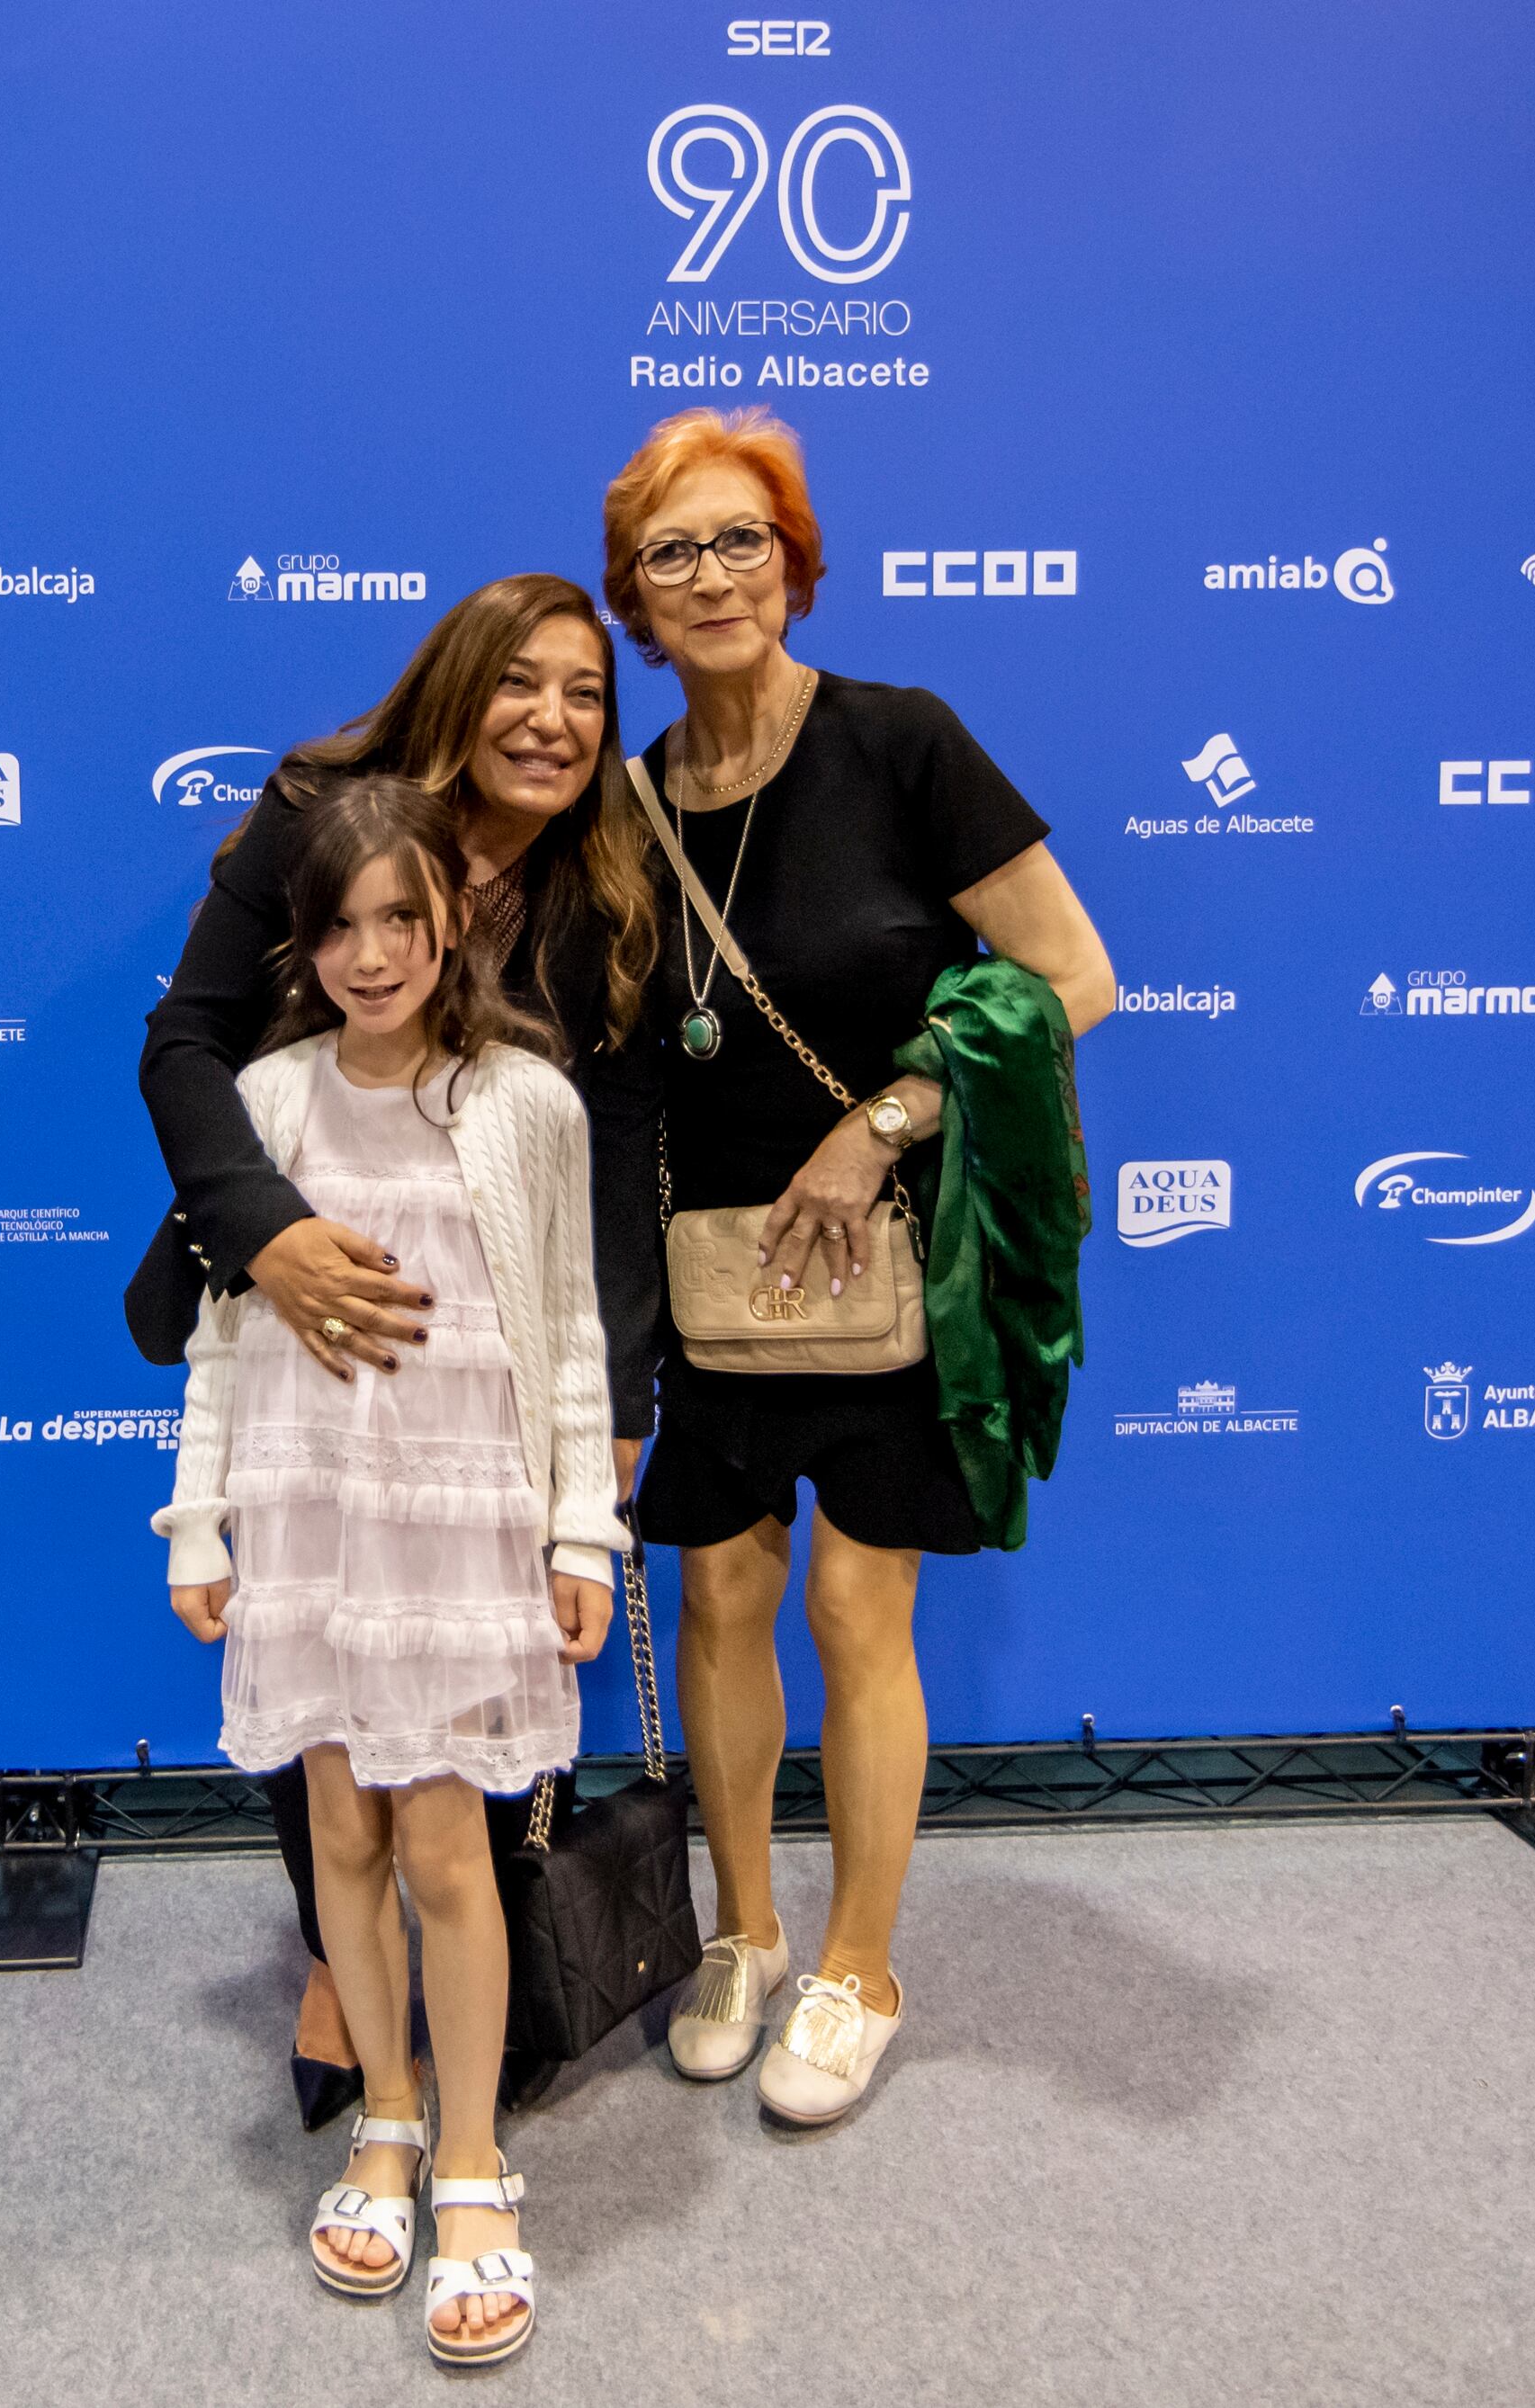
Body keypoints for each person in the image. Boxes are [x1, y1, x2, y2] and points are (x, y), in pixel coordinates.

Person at [604, 406, 1118, 2126]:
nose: (711, 575)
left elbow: (1070, 973)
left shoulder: (904, 744)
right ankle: (741, 1933)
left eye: (740, 538)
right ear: (635, 598)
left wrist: (884, 1116)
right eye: (672, 552)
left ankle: (862, 1963)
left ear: (795, 563)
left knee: (851, 1605)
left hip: (889, 1265)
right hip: (712, 1284)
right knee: (725, 1598)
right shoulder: (627, 808)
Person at [130, 576, 659, 2126]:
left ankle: (457, 1992)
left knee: (454, 1680)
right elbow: (184, 1042)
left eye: (583, 694)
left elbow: (595, 1186)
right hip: (294, 1314)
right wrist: (264, 1232)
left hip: (481, 1372)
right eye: (518, 685)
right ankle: (343, 1973)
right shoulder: (318, 813)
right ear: (454, 686)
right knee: (320, 1656)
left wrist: (605, 1420)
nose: (551, 721)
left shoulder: (603, 880)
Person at [157, 778, 624, 2367]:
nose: (370, 955)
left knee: (449, 1846)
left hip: (460, 1518)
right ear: (305, 943)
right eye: (339, 926)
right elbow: (223, 1333)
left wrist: (579, 1533)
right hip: (308, 1511)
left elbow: (569, 1333)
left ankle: (480, 2160)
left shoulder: (525, 1102)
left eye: (399, 923)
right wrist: (199, 1518)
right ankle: (391, 2117)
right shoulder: (270, 1099)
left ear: (450, 927)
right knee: (339, 1830)